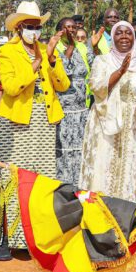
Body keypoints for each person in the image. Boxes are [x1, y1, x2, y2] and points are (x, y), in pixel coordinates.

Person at [0, 1, 70, 261]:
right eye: (30, 26)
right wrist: (35, 65)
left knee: (39, 182)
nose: (35, 31)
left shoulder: (46, 51)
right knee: (9, 179)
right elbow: (11, 87)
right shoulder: (7, 52)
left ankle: (27, 238)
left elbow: (63, 85)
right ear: (19, 27)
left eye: (38, 26)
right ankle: (2, 238)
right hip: (15, 123)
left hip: (43, 123)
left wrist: (52, 58)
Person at [79, 21, 136, 206]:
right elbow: (97, 88)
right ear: (112, 38)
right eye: (119, 33)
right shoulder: (102, 61)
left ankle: (126, 214)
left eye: (128, 33)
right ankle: (99, 213)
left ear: (134, 38)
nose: (124, 36)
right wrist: (121, 70)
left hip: (132, 125)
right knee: (104, 166)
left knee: (129, 169)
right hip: (105, 124)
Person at [54, 17, 94, 185]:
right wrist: (70, 47)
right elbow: (63, 72)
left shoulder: (82, 48)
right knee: (63, 150)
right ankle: (62, 187)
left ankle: (79, 186)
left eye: (73, 27)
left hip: (81, 109)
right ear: (59, 30)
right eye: (67, 27)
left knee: (80, 150)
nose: (71, 30)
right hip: (63, 110)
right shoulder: (54, 48)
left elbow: (93, 67)